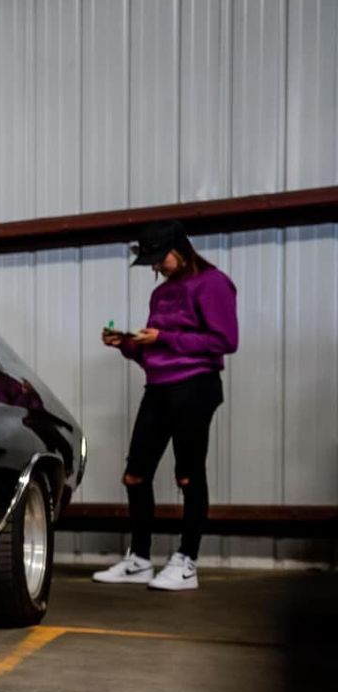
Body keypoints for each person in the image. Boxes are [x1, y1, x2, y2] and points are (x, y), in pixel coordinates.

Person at [92, 219, 239, 591]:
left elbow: (225, 340)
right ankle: (140, 560)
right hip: (159, 387)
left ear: (181, 250)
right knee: (135, 475)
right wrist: (126, 344)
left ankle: (187, 562)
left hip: (196, 387)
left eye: (159, 259)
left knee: (188, 475)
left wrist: (165, 336)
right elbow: (154, 354)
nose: (156, 267)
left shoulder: (213, 283)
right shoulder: (160, 295)